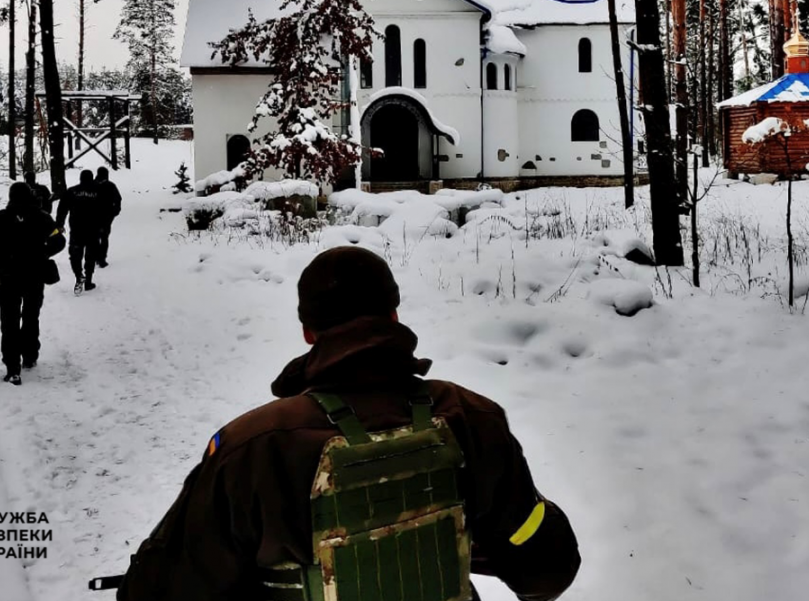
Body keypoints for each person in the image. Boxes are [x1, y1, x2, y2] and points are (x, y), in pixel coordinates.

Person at [115, 246, 580, 601]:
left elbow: (158, 591)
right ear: (394, 315)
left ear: (308, 332)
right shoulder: (472, 417)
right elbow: (549, 568)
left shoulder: (252, 447)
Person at [0, 182, 66, 385]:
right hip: (34, 276)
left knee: (9, 322)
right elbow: (59, 241)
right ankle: (30, 357)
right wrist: (42, 253)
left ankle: (12, 368)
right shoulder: (42, 218)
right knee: (31, 317)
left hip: (8, 278)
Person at [56, 169, 105, 295]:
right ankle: (88, 281)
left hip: (77, 229)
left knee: (75, 254)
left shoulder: (72, 191)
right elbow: (105, 209)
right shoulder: (99, 191)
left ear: (80, 178)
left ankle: (79, 275)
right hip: (93, 229)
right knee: (91, 255)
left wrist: (60, 224)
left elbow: (62, 208)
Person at [95, 166, 122, 268]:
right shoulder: (110, 186)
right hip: (107, 216)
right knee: (104, 237)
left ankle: (97, 257)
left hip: (94, 215)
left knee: (95, 237)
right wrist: (115, 211)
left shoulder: (92, 185)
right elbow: (118, 199)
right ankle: (102, 258)